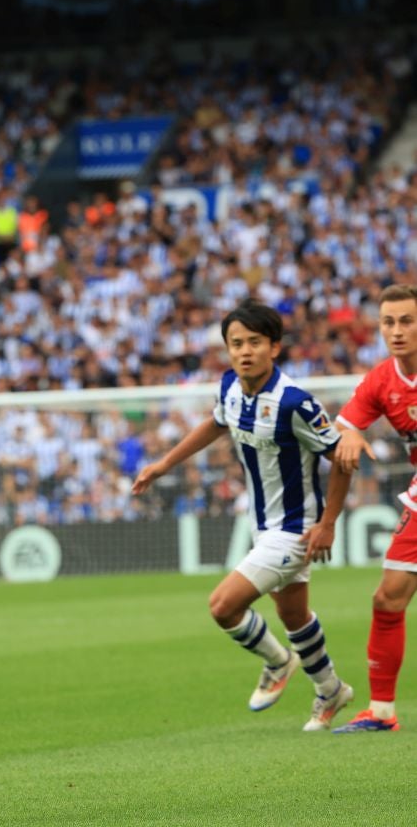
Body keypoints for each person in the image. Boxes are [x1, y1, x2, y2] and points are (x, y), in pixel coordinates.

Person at [133, 300, 352, 731]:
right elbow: (216, 423)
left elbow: (342, 458)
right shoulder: (231, 386)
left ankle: (278, 661)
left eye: (254, 342)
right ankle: (331, 690)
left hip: (295, 531)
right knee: (293, 617)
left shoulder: (295, 403)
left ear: (275, 347)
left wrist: (327, 524)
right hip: (263, 525)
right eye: (236, 343)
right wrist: (163, 465)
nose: (244, 351)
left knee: (223, 606)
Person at [327, 285, 417, 732]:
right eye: (389, 322)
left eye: (407, 321)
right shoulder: (382, 380)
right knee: (388, 597)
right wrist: (349, 434)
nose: (397, 331)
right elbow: (341, 425)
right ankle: (381, 712)